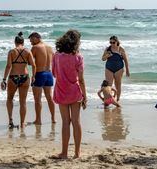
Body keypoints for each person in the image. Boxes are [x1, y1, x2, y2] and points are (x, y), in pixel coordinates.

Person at [52, 30, 87, 159]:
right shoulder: (78, 57)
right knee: (76, 122)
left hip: (61, 91)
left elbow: (54, 73)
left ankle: (64, 153)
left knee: (65, 122)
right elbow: (81, 79)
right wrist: (85, 96)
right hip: (75, 92)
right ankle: (77, 153)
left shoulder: (56, 56)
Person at [1, 32, 36, 129]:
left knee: (9, 99)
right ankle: (22, 123)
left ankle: (10, 121)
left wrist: (4, 79)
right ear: (23, 42)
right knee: (23, 102)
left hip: (13, 77)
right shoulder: (27, 51)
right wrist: (33, 76)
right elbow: (33, 65)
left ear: (15, 42)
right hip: (25, 77)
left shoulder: (12, 51)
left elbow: (8, 66)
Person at [29, 32, 56, 124]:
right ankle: (53, 118)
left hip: (39, 74)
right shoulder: (49, 47)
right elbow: (54, 60)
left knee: (37, 99)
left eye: (31, 39)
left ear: (37, 38)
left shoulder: (35, 48)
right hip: (49, 74)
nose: (30, 42)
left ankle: (38, 120)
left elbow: (30, 62)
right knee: (49, 98)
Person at [102, 36, 130, 101]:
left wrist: (127, 70)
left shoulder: (121, 49)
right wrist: (107, 56)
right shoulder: (108, 49)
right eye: (110, 42)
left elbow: (125, 60)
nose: (112, 44)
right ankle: (108, 100)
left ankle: (117, 99)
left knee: (118, 84)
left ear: (117, 42)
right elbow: (103, 59)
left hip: (119, 69)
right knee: (109, 85)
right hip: (109, 68)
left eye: (113, 42)